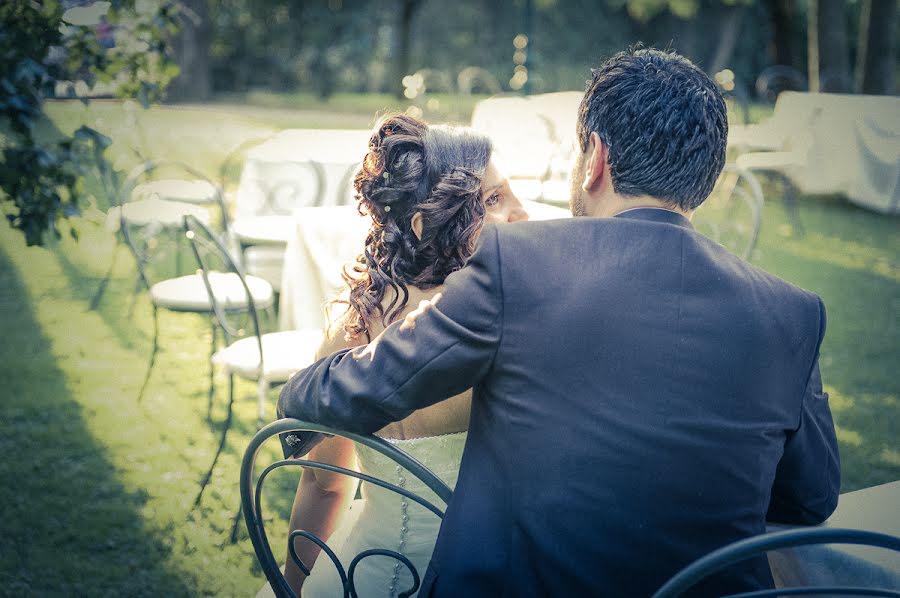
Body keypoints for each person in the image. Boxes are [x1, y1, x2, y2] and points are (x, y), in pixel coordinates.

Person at [277, 48, 840, 597]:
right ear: (708, 175)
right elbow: (810, 499)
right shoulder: (793, 312)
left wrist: (298, 395)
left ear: (594, 157)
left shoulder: (519, 269)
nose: (516, 210)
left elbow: (360, 390)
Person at [272, 113, 528, 597]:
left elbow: (324, 487)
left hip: (355, 575)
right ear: (427, 222)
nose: (522, 212)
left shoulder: (350, 324)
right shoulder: (496, 333)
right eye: (494, 199)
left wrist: (293, 589)